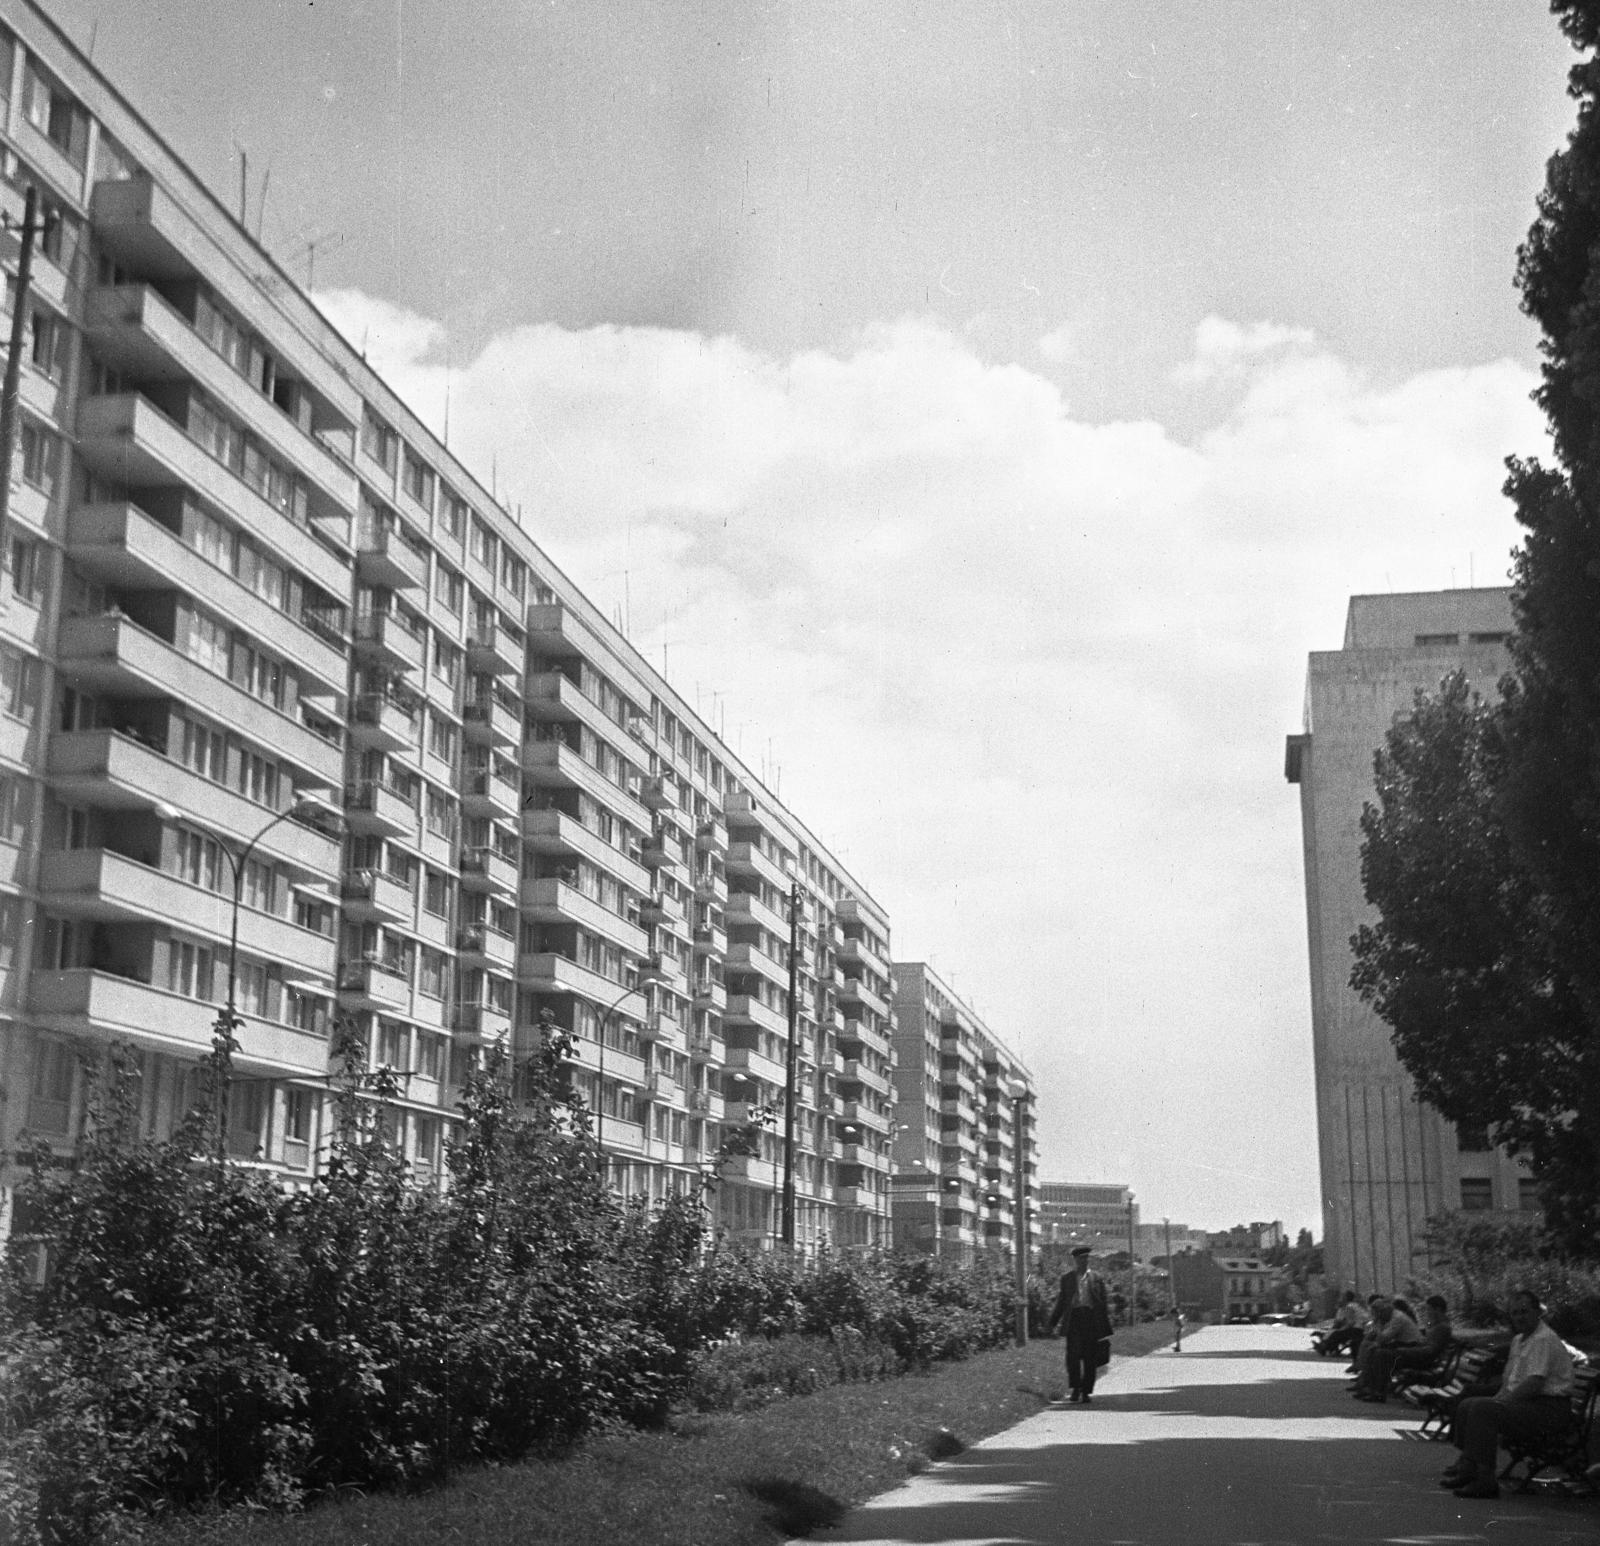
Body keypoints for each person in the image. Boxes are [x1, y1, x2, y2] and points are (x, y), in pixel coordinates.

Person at [1440, 1289, 1576, 1500]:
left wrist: (1501, 1402)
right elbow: (1511, 1380)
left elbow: (1534, 1382)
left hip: (1550, 1409)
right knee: (1469, 1404)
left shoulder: (1543, 1339)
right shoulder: (1520, 1340)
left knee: (1483, 1409)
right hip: (1531, 1404)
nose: (1519, 1317)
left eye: (1524, 1311)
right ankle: (1468, 1468)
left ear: (1537, 1312)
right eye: (1515, 1313)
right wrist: (1498, 1398)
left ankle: (1485, 1480)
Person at [1048, 1245, 1113, 1404]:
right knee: (1073, 1357)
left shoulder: (1096, 1278)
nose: (1084, 1261)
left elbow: (1102, 1301)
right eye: (1081, 1259)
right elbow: (1062, 1302)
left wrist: (1104, 1324)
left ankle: (1086, 1391)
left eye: (1086, 1258)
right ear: (1075, 1260)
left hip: (1090, 1319)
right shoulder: (1067, 1278)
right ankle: (1076, 1388)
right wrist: (1053, 1322)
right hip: (1074, 1320)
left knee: (1090, 1358)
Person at [1358, 1293, 1451, 1402]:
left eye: (1429, 1309)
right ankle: (1372, 1389)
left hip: (1424, 1361)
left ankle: (1378, 1392)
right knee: (1380, 1352)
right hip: (1420, 1357)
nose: (1427, 1313)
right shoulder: (1438, 1325)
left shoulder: (1443, 1328)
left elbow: (1430, 1351)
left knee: (1382, 1354)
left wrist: (1406, 1350)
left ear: (1438, 1309)